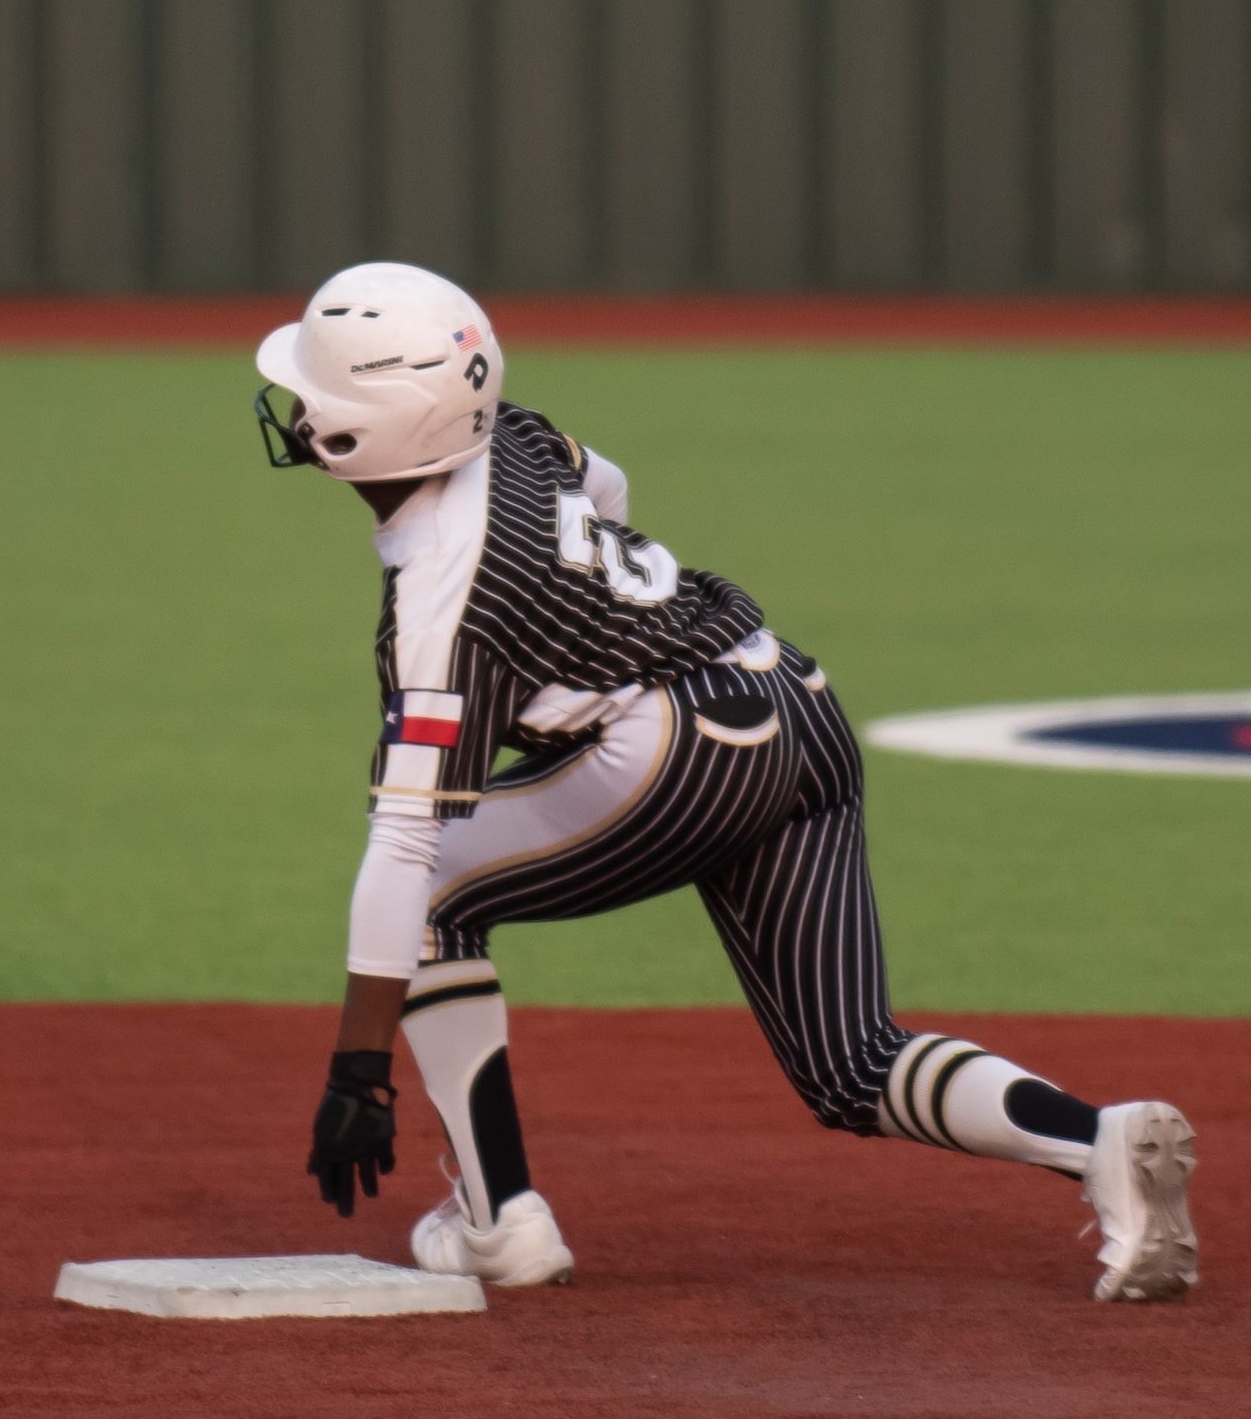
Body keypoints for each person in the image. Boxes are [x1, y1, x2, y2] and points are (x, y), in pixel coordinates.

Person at [259, 262, 1199, 1304]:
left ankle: (500, 1223)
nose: (299, 406)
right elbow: (604, 490)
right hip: (789, 692)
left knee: (431, 890)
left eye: (318, 392)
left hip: (680, 754)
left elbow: (403, 845)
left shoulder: (442, 598)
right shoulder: (515, 434)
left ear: (367, 429)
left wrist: (358, 1069)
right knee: (851, 1062)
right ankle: (1100, 1141)